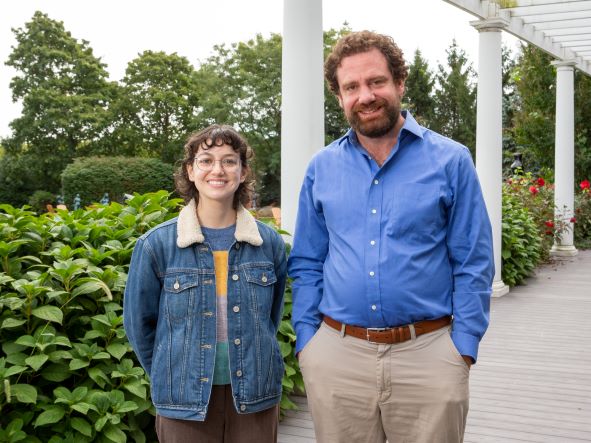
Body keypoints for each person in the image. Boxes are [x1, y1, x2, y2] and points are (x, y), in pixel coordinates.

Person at [288, 31, 494, 443]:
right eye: (352, 87)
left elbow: (473, 260)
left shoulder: (451, 160)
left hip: (430, 355)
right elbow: (308, 260)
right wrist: (309, 344)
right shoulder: (321, 168)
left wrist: (463, 347)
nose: (365, 95)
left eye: (376, 82)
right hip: (337, 356)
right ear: (339, 96)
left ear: (399, 83)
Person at [124, 124, 287, 443]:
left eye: (229, 160)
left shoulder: (268, 243)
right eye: (206, 160)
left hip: (255, 397)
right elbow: (139, 327)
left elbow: (271, 319)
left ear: (242, 172)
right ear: (190, 170)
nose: (218, 169)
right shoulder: (156, 246)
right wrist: (172, 372)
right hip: (184, 400)